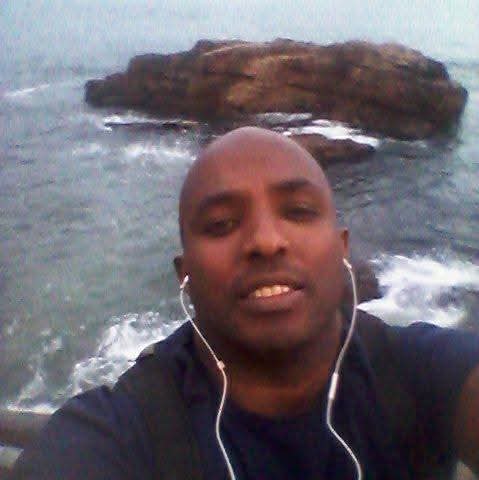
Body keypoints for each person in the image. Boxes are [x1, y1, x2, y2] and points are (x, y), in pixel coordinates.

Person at [11, 127, 479, 479]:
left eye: (298, 211)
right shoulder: (124, 429)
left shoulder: (419, 372)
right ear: (185, 275)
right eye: (220, 224)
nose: (266, 241)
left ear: (342, 250)